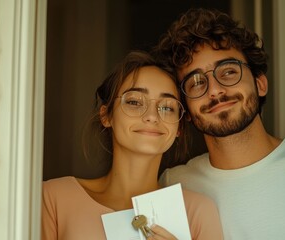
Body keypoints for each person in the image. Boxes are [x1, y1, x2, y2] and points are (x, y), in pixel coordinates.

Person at [153, 8, 285, 240]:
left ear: (260, 84)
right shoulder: (172, 186)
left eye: (229, 71)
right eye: (196, 82)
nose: (215, 90)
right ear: (186, 110)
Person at [41, 51, 224, 240]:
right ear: (107, 116)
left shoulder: (197, 212)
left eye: (168, 107)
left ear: (179, 128)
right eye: (135, 102)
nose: (152, 116)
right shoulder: (53, 198)